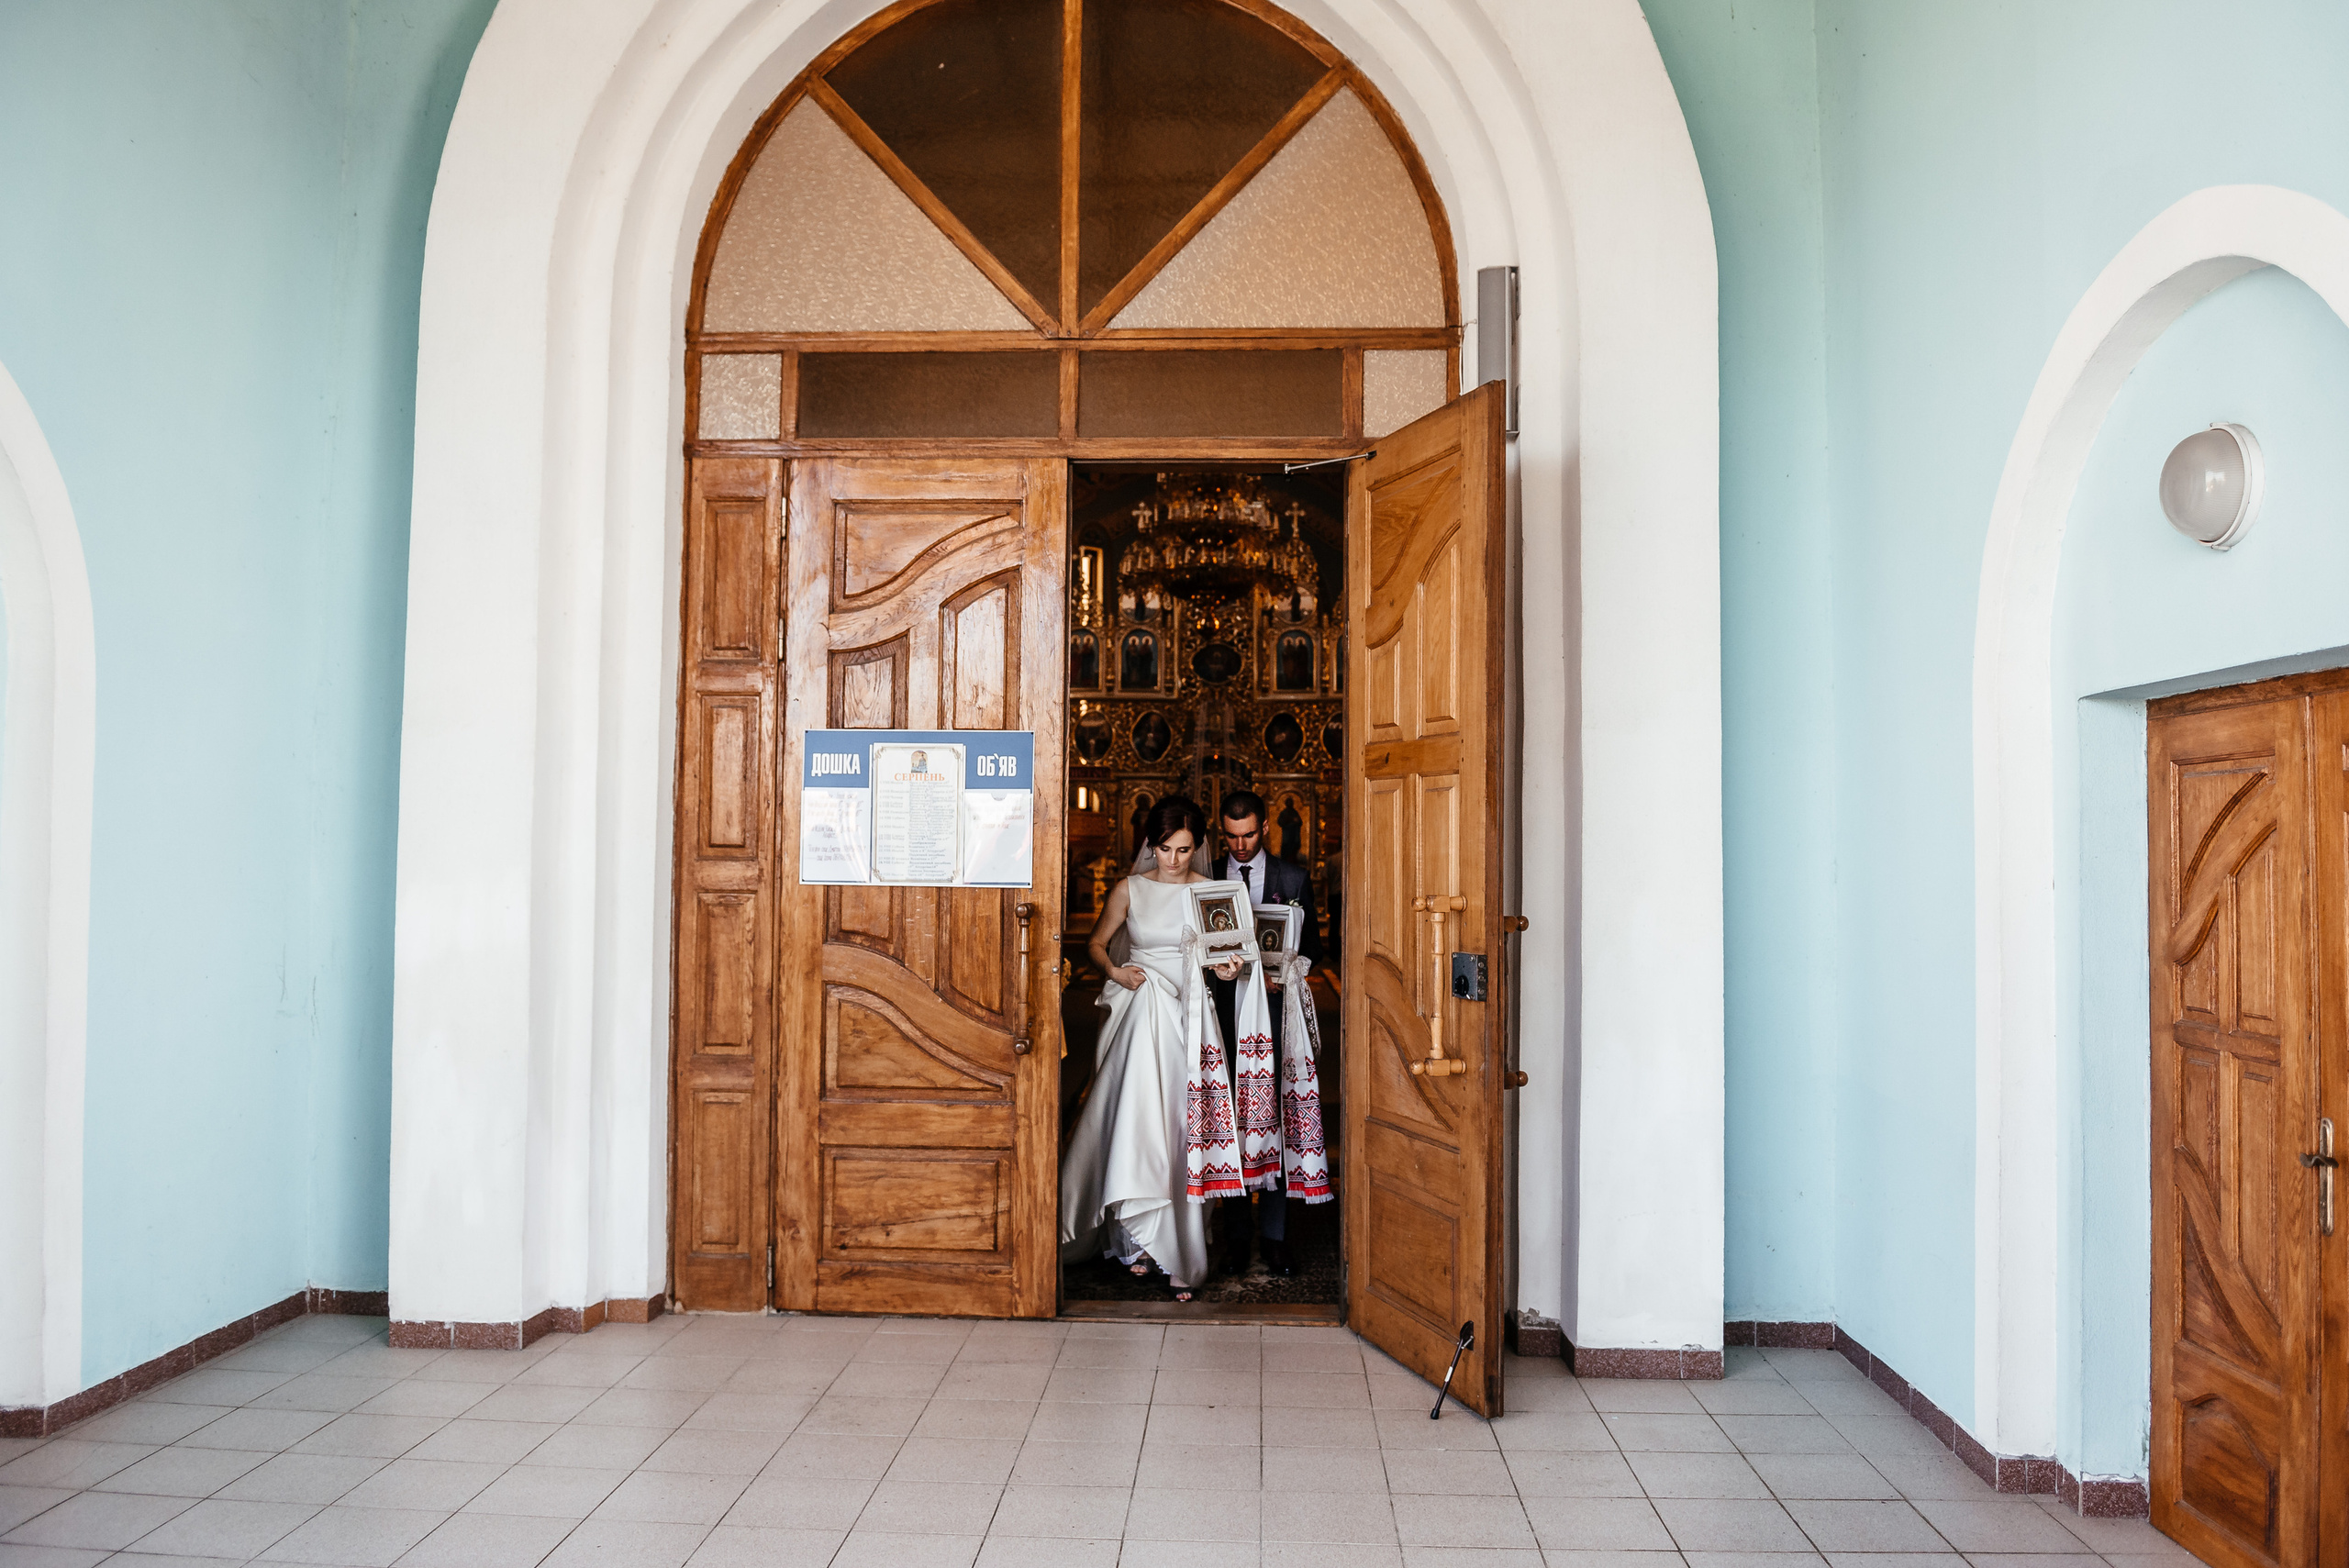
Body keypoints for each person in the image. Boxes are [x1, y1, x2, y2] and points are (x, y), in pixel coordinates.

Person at [1060, 797, 1244, 1300]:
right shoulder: (1130, 888)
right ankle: (1135, 1239)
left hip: (1189, 1017)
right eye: (1164, 848)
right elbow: (1097, 944)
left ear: (1199, 847)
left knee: (1185, 1123)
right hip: (1139, 1010)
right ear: (1151, 845)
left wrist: (1229, 969)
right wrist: (1116, 971)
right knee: (1138, 1120)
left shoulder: (1215, 892)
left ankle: (1179, 1244)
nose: (1173, 860)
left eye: (1184, 850)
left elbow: (1228, 960)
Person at [1210, 789, 1323, 1276]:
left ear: (1266, 830)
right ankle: (1235, 1238)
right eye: (1232, 837)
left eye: (1249, 835)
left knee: (1274, 1113)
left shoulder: (1293, 878)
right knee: (1231, 1120)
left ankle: (1275, 1238)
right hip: (1222, 1014)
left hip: (1275, 1014)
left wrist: (1289, 974)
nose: (1240, 845)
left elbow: (1315, 946)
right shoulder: (1207, 877)